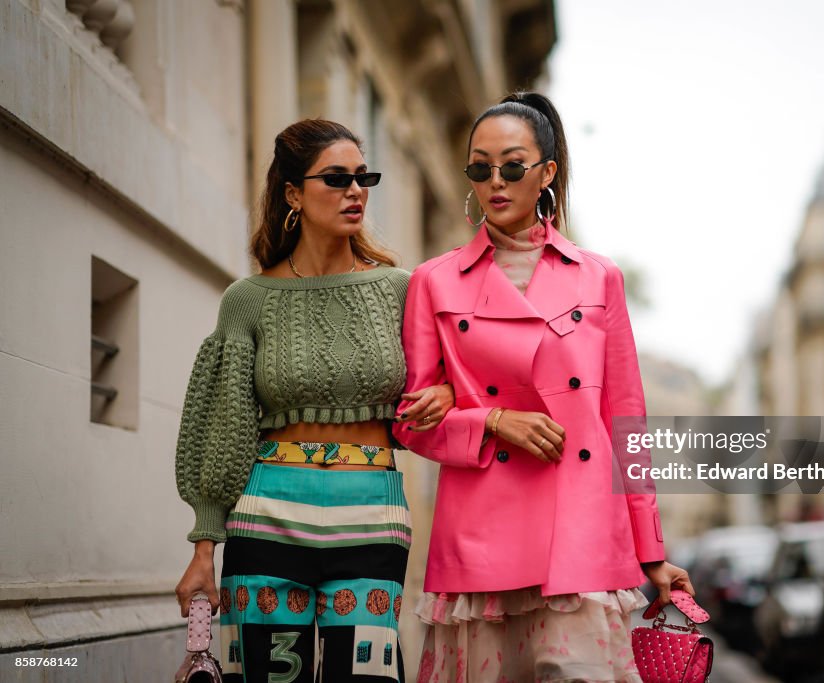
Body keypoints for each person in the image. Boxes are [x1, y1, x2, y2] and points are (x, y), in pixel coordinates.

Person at [393, 93, 695, 683]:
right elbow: (409, 421)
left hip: (580, 531)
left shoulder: (597, 275)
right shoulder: (433, 281)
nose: (495, 182)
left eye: (513, 166)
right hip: (482, 536)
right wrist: (493, 421)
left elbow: (626, 424)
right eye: (480, 168)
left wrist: (651, 552)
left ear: (547, 173)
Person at [173, 118, 454, 683]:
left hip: (373, 516)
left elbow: (448, 377)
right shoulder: (249, 300)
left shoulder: (400, 289)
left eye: (361, 177)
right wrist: (204, 546)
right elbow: (222, 425)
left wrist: (446, 389)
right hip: (266, 518)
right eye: (336, 179)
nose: (355, 191)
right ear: (293, 193)